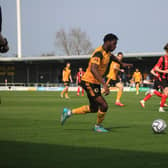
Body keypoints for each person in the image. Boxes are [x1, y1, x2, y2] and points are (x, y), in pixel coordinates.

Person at [60, 33, 131, 133]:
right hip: (89, 82)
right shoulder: (99, 53)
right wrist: (104, 84)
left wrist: (122, 63)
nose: (115, 47)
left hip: (94, 82)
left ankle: (68, 112)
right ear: (108, 42)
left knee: (94, 108)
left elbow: (112, 57)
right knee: (104, 105)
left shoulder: (107, 53)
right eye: (114, 44)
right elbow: (93, 69)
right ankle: (98, 126)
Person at [140, 43, 168, 112]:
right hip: (161, 78)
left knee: (164, 93)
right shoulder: (162, 58)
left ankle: (145, 99)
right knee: (166, 92)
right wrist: (164, 71)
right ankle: (161, 107)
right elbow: (155, 68)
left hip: (166, 78)